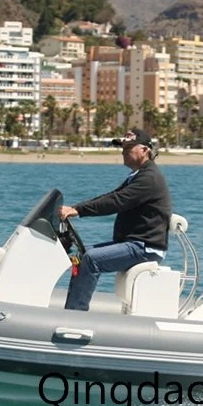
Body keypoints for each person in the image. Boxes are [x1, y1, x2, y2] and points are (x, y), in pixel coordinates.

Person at [58, 127, 172, 312]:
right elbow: (113, 196)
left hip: (144, 247)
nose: (123, 152)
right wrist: (75, 208)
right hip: (134, 244)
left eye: (129, 148)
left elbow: (116, 202)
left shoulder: (149, 178)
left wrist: (77, 210)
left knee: (90, 260)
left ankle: (75, 313)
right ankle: (72, 308)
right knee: (81, 256)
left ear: (144, 150)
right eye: (123, 148)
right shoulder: (139, 175)